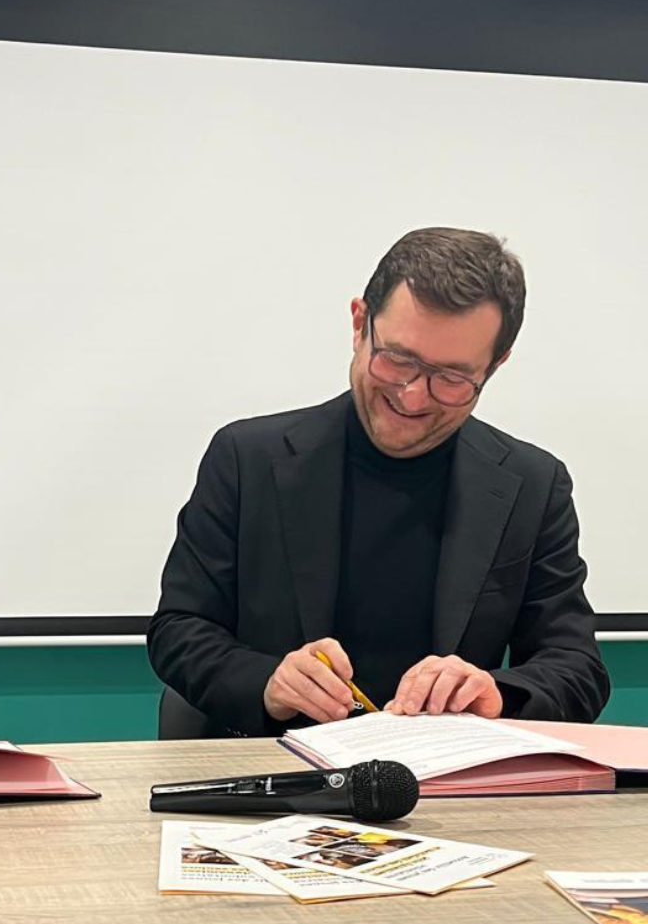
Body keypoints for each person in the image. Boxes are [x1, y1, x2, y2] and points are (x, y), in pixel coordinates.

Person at [148, 227, 609, 738]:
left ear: (495, 366)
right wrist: (268, 682)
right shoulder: (246, 457)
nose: (412, 397)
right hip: (272, 763)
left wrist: (496, 692)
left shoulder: (533, 485)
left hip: (443, 774)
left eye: (452, 379)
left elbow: (576, 667)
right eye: (397, 360)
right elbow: (180, 630)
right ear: (359, 324)